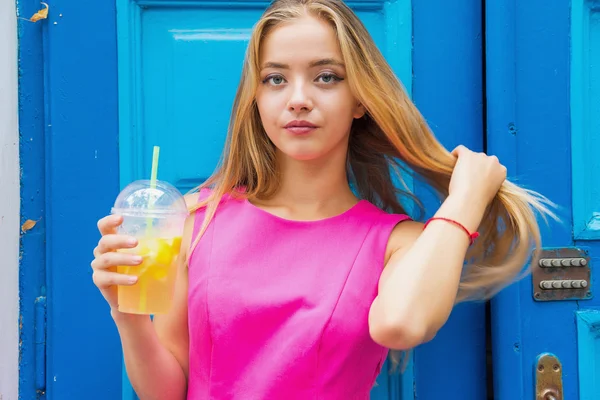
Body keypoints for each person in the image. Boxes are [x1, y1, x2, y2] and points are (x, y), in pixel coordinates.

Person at [91, 0, 552, 398]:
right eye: (275, 79)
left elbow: (402, 325)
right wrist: (125, 312)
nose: (298, 99)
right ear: (255, 98)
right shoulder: (198, 219)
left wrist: (466, 199)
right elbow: (168, 391)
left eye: (326, 77)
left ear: (361, 99)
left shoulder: (398, 243)